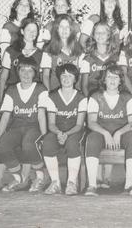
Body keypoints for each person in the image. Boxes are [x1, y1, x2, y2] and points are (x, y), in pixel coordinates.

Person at [0, 18, 44, 189]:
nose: (32, 33)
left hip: (33, 100)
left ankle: (31, 177)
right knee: (6, 141)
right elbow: (3, 77)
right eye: (28, 29)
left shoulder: (41, 53)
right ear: (21, 31)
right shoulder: (11, 50)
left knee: (28, 142)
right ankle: (12, 177)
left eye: (35, 30)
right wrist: (2, 99)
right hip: (15, 96)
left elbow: (43, 78)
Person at [0, 56, 49, 192]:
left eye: (30, 71)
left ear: (35, 73)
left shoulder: (41, 89)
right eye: (23, 70)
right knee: (2, 145)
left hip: (34, 127)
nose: (26, 74)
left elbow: (41, 115)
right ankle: (18, 178)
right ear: (18, 72)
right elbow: (5, 117)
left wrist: (45, 136)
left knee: (28, 144)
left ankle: (41, 176)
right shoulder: (11, 90)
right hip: (17, 128)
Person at [84, 63, 132, 196]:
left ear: (121, 80)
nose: (112, 80)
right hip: (101, 134)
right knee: (92, 138)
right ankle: (92, 186)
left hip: (122, 134)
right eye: (109, 77)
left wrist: (119, 133)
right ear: (104, 79)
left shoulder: (127, 98)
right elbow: (91, 122)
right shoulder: (95, 96)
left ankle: (129, 185)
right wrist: (105, 133)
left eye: (116, 77)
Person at [42, 64, 87, 195]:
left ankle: (71, 183)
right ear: (59, 78)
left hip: (75, 131)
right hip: (57, 130)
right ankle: (55, 182)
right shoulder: (52, 97)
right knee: (48, 143)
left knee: (73, 144)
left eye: (70, 76)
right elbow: (51, 123)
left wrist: (66, 134)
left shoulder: (81, 98)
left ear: (75, 79)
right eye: (63, 75)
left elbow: (79, 124)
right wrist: (58, 133)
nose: (66, 79)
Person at [41, 14, 83, 91]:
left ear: (71, 29)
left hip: (75, 92)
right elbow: (45, 75)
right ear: (57, 29)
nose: (64, 30)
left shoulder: (79, 49)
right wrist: (48, 94)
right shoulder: (48, 49)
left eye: (67, 27)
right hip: (55, 91)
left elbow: (81, 75)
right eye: (61, 27)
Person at [80, 21, 119, 97]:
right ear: (93, 35)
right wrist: (90, 102)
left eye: (103, 33)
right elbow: (84, 86)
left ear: (108, 35)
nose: (100, 35)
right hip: (93, 97)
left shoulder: (115, 58)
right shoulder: (88, 59)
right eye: (97, 32)